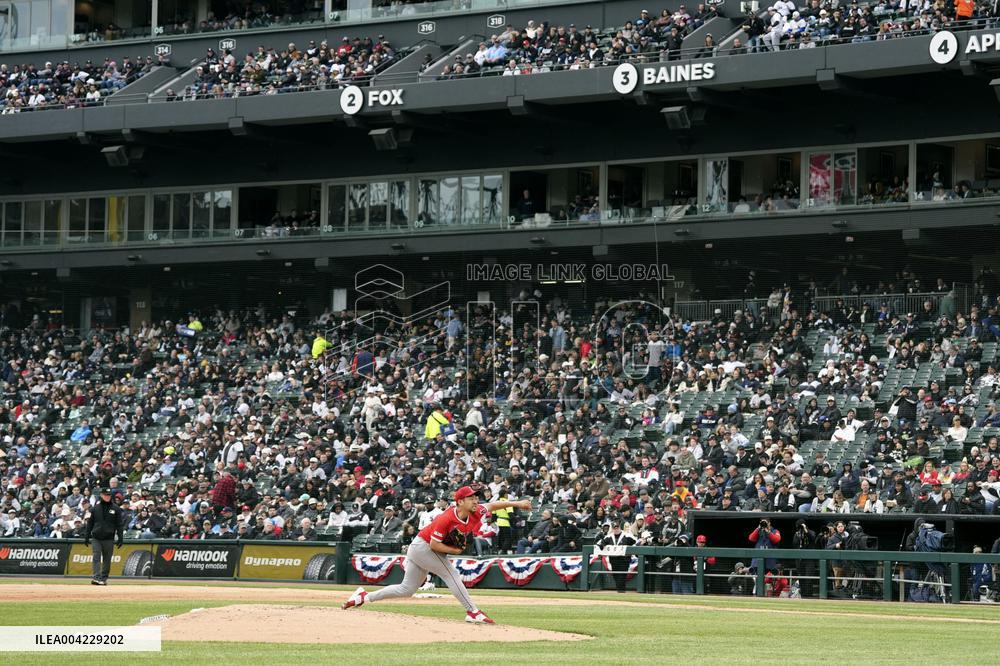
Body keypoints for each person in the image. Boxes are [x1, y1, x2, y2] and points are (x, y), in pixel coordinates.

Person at [342, 485, 531, 624]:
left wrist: (518, 503)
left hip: (425, 549)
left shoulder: (476, 511)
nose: (476, 500)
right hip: (424, 547)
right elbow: (434, 543)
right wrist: (455, 551)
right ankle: (472, 611)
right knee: (451, 574)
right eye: (471, 498)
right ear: (460, 501)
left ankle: (364, 596)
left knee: (406, 589)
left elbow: (491, 505)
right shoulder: (447, 518)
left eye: (476, 497)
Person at [83, 487, 125, 586]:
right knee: (96, 556)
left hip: (109, 538)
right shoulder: (95, 508)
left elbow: (119, 524)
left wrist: (120, 537)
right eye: (106, 495)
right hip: (96, 537)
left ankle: (103, 578)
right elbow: (90, 523)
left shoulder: (116, 509)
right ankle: (96, 577)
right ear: (101, 495)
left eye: (109, 495)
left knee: (107, 559)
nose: (107, 497)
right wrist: (87, 536)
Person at [598, 521, 636, 593]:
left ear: (619, 527)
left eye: (617, 527)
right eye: (614, 528)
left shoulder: (626, 535)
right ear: (612, 529)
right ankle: (620, 591)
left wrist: (630, 548)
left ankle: (621, 591)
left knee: (622, 576)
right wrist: (602, 545)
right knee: (616, 575)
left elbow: (635, 542)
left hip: (624, 559)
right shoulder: (609, 536)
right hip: (614, 559)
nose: (616, 529)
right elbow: (602, 543)